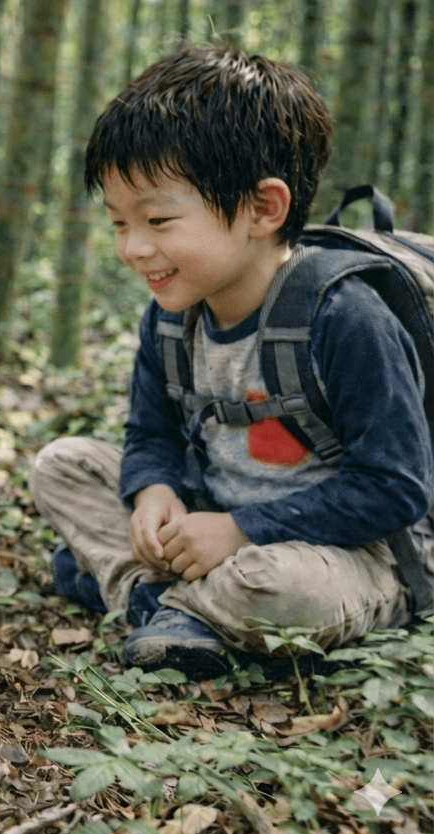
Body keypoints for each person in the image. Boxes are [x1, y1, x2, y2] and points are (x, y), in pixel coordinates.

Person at [28, 46, 433, 680]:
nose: (134, 248)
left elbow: (396, 485)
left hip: (347, 553)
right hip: (211, 515)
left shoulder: (343, 317)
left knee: (276, 586)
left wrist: (242, 530)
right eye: (118, 223)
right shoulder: (170, 315)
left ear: (263, 208)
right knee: (63, 467)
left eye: (159, 219)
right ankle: (177, 608)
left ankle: (146, 597)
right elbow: (150, 432)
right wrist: (154, 491)